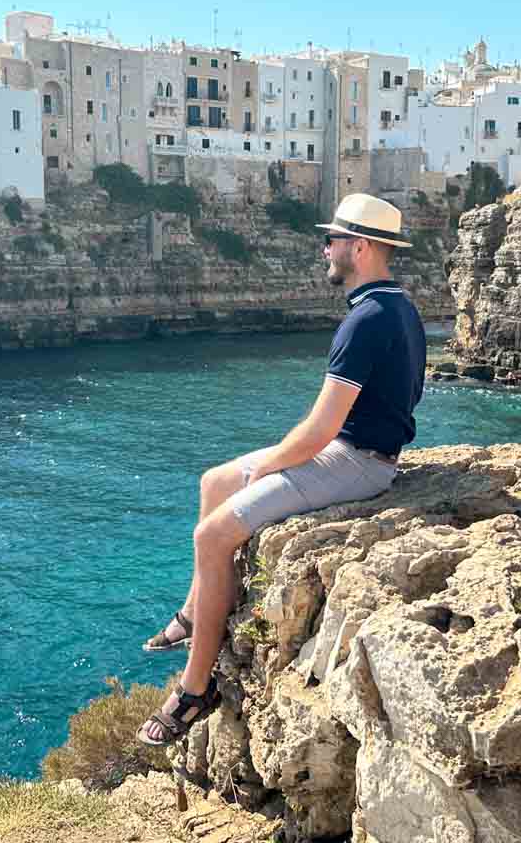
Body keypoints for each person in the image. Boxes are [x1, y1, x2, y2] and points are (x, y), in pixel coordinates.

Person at [137, 193, 427, 746]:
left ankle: (196, 689)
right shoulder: (396, 305)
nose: (325, 249)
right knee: (212, 481)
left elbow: (320, 433)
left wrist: (263, 471)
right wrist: (259, 468)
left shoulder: (366, 320)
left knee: (213, 532)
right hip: (353, 447)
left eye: (333, 240)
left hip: (358, 463)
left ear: (359, 247)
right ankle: (197, 610)